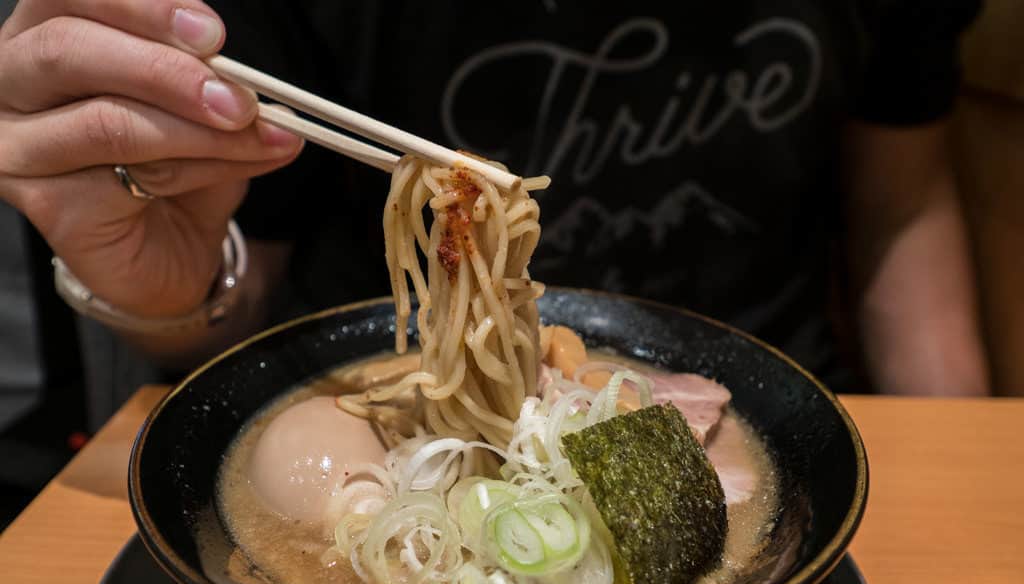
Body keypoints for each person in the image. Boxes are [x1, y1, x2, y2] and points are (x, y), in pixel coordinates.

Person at [0, 0, 990, 435]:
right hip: (362, 401)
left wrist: (966, 468)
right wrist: (155, 286)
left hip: (768, 400)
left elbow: (901, 203)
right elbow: (225, 296)